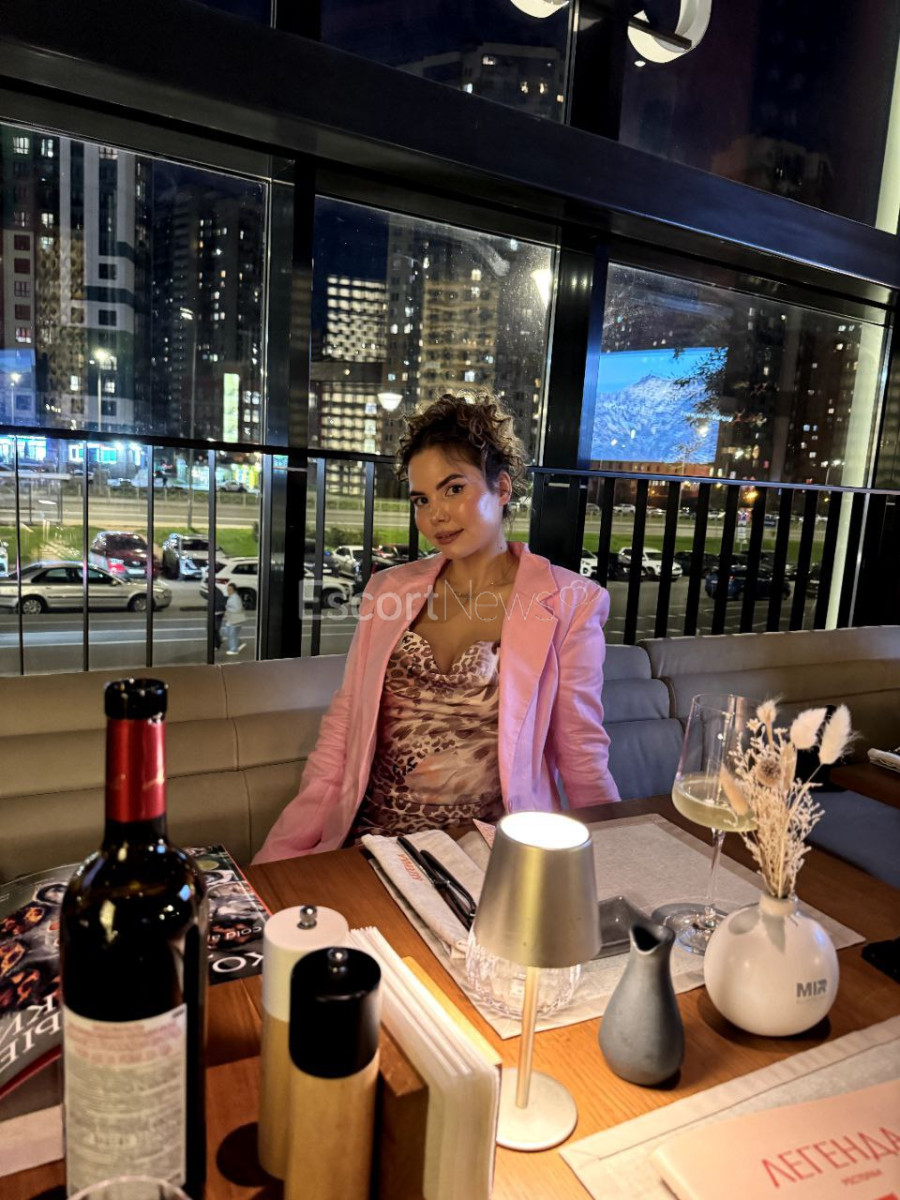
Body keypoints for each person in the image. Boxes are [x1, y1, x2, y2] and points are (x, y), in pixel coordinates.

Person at [254, 394, 619, 863]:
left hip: (488, 852)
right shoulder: (388, 590)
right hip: (374, 842)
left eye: (454, 489)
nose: (435, 515)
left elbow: (581, 751)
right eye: (421, 499)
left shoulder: (571, 602)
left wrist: (615, 857)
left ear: (502, 488)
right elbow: (344, 728)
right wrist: (282, 853)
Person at [223, 582, 246, 655]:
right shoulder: (232, 597)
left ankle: (234, 650)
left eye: (230, 589)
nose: (228, 591)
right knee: (228, 632)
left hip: (235, 620)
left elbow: (237, 609)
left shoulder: (235, 598)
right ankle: (238, 643)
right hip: (231, 619)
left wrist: (227, 608)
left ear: (234, 590)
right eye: (228, 589)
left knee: (232, 635)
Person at [213, 583, 227, 650]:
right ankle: (218, 640)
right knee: (214, 629)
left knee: (215, 629)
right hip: (216, 613)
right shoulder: (215, 591)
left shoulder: (216, 592)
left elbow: (220, 603)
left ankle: (217, 644)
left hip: (218, 613)